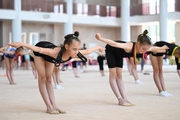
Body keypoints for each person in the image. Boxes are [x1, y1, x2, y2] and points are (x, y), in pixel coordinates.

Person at [8, 31, 104, 114]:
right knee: (42, 78)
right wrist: (21, 44)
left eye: (78, 49)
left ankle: (54, 105)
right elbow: (36, 49)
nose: (77, 51)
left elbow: (87, 51)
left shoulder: (74, 52)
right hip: (41, 51)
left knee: (49, 79)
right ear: (66, 46)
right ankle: (49, 107)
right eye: (74, 49)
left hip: (51, 58)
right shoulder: (55, 52)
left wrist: (98, 47)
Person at [95, 30, 168, 106]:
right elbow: (114, 43)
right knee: (113, 75)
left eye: (146, 50)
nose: (144, 51)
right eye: (144, 49)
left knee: (119, 76)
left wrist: (162, 48)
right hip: (111, 49)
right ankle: (120, 99)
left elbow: (153, 49)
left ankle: (125, 98)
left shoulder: (143, 47)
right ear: (138, 44)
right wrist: (100, 39)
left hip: (118, 54)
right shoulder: (129, 46)